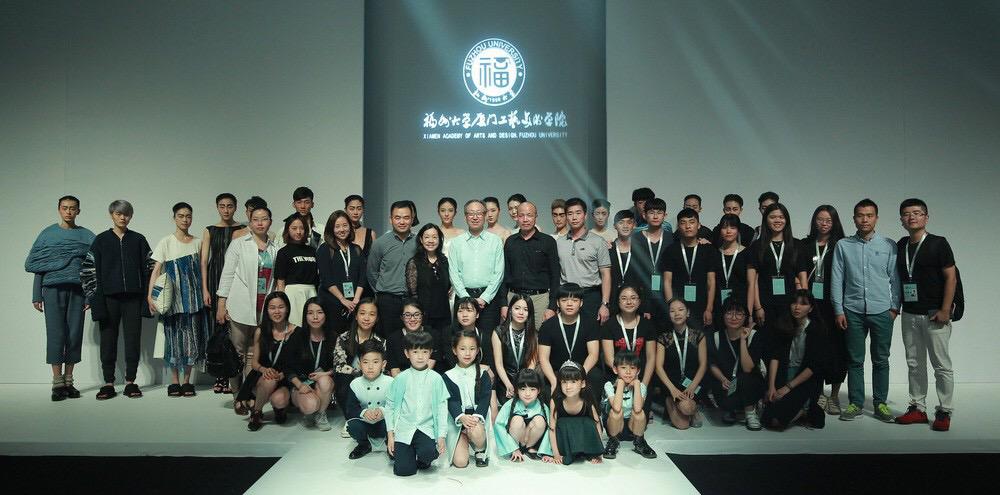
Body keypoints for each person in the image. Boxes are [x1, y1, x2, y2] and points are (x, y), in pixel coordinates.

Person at [831, 199, 901, 423]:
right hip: (852, 311)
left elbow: (895, 279)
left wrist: (894, 308)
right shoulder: (843, 245)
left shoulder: (889, 245)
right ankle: (856, 403)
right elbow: (837, 279)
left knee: (881, 359)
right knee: (855, 360)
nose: (865, 219)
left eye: (869, 215)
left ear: (876, 218)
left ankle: (880, 403)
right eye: (860, 215)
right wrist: (838, 310)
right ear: (854, 219)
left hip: (882, 311)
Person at [894, 198, 957, 431]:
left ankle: (944, 411)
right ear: (901, 220)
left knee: (941, 365)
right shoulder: (901, 244)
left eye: (917, 213)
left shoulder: (938, 243)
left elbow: (951, 277)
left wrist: (945, 309)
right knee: (914, 363)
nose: (912, 217)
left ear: (926, 217)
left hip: (934, 313)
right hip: (910, 313)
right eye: (906, 214)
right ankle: (917, 408)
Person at [81, 199, 153, 400]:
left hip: (133, 299)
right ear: (111, 215)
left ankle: (131, 382)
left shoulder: (139, 240)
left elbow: (150, 269)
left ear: (131, 216)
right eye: (118, 214)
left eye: (126, 214)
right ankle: (108, 383)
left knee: (133, 340)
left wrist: (147, 299)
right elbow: (89, 271)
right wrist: (95, 300)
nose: (123, 217)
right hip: (108, 299)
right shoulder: (101, 240)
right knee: (108, 341)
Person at [25, 195, 95, 401]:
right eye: (65, 208)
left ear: (78, 211)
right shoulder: (47, 235)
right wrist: (36, 294)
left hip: (78, 291)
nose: (68, 212)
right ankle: (57, 383)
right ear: (59, 209)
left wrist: (89, 295)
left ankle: (69, 381)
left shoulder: (87, 236)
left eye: (72, 208)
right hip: (52, 290)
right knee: (56, 334)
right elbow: (38, 264)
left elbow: (92, 268)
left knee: (74, 334)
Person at [216, 205, 282, 412]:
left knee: (254, 354)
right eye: (256, 219)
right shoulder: (239, 244)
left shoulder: (275, 247)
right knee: (237, 352)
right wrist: (221, 303)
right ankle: (237, 395)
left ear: (270, 222)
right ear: (250, 222)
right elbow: (227, 274)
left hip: (263, 308)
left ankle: (248, 393)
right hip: (241, 305)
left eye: (264, 219)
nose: (260, 223)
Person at [147, 202, 208, 397]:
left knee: (192, 340)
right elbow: (156, 270)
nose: (185, 219)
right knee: (172, 340)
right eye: (181, 216)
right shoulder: (166, 242)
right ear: (174, 218)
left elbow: (203, 270)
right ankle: (174, 382)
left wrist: (205, 291)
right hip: (172, 301)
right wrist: (150, 296)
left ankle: (187, 381)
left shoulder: (198, 242)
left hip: (194, 300)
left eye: (188, 216)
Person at [797, 205, 847, 415]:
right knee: (813, 348)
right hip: (812, 305)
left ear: (834, 222)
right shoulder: (805, 245)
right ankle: (817, 393)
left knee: (837, 349)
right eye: (820, 219)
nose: (824, 224)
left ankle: (834, 395)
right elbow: (798, 271)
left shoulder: (841, 245)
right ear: (814, 221)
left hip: (834, 305)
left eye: (828, 220)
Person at [385, 331, 450, 476]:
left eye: (424, 352)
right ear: (407, 353)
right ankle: (404, 453)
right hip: (404, 428)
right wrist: (390, 435)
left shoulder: (436, 379)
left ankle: (421, 456)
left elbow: (442, 408)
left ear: (430, 353)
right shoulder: (401, 378)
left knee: (429, 453)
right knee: (404, 471)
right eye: (415, 352)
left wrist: (441, 436)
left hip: (426, 428)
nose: (420, 357)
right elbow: (389, 407)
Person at [761, 290, 829, 430]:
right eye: (794, 303)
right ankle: (800, 409)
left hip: (804, 379)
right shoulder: (783, 325)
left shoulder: (817, 329)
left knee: (777, 422)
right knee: (766, 420)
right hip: (784, 373)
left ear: (811, 308)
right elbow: (775, 357)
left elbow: (813, 367)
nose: (797, 307)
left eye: (803, 304)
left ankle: (805, 410)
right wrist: (771, 386)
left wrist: (787, 388)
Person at [243, 292, 311, 431]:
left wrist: (284, 374)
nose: (277, 311)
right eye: (272, 308)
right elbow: (254, 363)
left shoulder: (298, 332)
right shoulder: (261, 331)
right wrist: (264, 370)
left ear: (287, 308)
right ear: (267, 310)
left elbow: (299, 364)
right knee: (269, 379)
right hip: (262, 377)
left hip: (286, 378)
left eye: (281, 307)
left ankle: (279, 409)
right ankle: (257, 413)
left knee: (279, 400)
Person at [199, 193, 244, 393]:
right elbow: (203, 262)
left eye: (230, 206)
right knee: (217, 329)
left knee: (233, 329)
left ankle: (233, 375)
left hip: (235, 280)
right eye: (222, 206)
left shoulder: (242, 229)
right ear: (217, 207)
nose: (226, 210)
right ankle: (220, 375)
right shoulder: (209, 230)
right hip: (214, 277)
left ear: (236, 207)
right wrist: (205, 289)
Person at [707, 298, 766, 430]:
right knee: (723, 397)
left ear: (745, 317)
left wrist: (743, 340)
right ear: (723, 315)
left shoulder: (753, 336)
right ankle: (732, 410)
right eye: (729, 313)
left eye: (739, 313)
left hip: (750, 383)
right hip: (728, 383)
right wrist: (722, 379)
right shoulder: (716, 337)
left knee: (745, 378)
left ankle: (750, 413)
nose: (734, 317)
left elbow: (748, 368)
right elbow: (712, 364)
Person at [537, 284, 603, 401]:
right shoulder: (547, 326)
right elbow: (543, 358)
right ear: (558, 303)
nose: (569, 304)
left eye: (574, 300)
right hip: (557, 371)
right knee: (544, 382)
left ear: (581, 303)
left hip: (583, 369)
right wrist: (553, 381)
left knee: (596, 376)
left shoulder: (590, 323)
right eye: (564, 300)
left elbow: (593, 354)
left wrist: (581, 375)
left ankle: (593, 410)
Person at [448, 200, 505, 335]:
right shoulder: (456, 243)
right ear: (465, 217)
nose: (475, 217)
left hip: (489, 299)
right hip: (463, 297)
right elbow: (453, 273)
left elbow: (499, 272)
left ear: (485, 215)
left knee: (488, 339)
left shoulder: (495, 241)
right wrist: (466, 299)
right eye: (471, 213)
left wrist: (485, 297)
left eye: (479, 213)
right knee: (462, 340)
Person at [502, 201, 560, 325]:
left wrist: (552, 306)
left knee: (540, 333)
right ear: (517, 217)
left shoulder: (548, 241)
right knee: (513, 333)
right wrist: (503, 304)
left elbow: (555, 276)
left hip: (539, 299)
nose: (525, 219)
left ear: (535, 217)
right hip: (514, 297)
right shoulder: (510, 242)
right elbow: (505, 274)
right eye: (521, 215)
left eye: (529, 215)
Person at [654, 298, 708, 429]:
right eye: (672, 311)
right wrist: (672, 389)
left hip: (692, 382)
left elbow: (703, 364)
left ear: (687, 312)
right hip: (671, 383)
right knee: (682, 425)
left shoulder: (698, 335)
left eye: (680, 310)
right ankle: (670, 401)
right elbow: (658, 367)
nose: (677, 313)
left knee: (688, 408)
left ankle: (691, 409)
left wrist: (693, 386)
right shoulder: (664, 337)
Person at [556, 198, 612, 324]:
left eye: (578, 213)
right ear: (566, 217)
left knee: (591, 333)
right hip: (567, 296)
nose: (574, 217)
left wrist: (605, 304)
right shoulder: (559, 243)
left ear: (585, 215)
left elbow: (606, 274)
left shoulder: (598, 241)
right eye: (570, 214)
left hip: (591, 296)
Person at [367, 200, 418, 337]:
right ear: (391, 219)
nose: (402, 222)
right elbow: (372, 272)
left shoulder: (419, 242)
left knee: (412, 338)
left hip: (412, 299)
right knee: (389, 338)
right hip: (387, 300)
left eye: (406, 217)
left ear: (412, 219)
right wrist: (381, 292)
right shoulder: (380, 243)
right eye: (397, 217)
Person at [661, 208, 718, 329]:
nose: (688, 226)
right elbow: (667, 281)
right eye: (683, 223)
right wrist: (671, 307)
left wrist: (709, 309)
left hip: (702, 307)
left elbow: (711, 281)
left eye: (692, 222)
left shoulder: (708, 250)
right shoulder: (671, 250)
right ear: (678, 226)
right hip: (678, 308)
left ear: (699, 225)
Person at [443, 329, 493, 468]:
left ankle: (479, 449)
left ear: (477, 351)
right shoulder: (448, 375)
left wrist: (476, 417)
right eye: (462, 349)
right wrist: (461, 417)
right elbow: (451, 400)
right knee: (460, 463)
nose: (467, 353)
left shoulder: (483, 373)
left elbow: (485, 398)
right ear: (454, 350)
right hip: (458, 420)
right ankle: (463, 438)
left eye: (472, 349)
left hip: (476, 419)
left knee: (475, 430)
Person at [333, 299, 383, 435]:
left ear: (377, 318)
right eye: (362, 313)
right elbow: (339, 366)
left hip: (374, 379)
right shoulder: (344, 338)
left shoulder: (380, 341)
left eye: (372, 314)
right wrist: (360, 374)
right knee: (343, 379)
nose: (366, 318)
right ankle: (351, 419)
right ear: (356, 316)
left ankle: (374, 415)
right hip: (350, 380)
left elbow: (383, 368)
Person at [747, 203, 799, 328]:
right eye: (772, 217)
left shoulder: (796, 245)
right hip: (765, 305)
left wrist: (800, 306)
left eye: (781, 217)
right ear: (766, 220)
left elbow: (800, 278)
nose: (777, 220)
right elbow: (752, 282)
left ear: (786, 220)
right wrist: (757, 307)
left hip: (790, 305)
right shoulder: (756, 247)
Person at [317, 210, 367, 335]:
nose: (342, 229)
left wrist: (356, 299)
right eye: (337, 226)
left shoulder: (356, 249)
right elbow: (326, 278)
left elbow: (363, 276)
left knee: (353, 337)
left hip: (354, 304)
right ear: (331, 229)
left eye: (345, 225)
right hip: (332, 303)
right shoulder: (325, 249)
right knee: (334, 338)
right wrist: (342, 299)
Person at [545, 361, 603, 465]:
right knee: (562, 423)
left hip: (583, 435)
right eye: (564, 382)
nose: (568, 386)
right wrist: (556, 454)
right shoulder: (556, 400)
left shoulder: (587, 399)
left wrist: (597, 452)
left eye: (573, 382)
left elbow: (597, 424)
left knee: (589, 422)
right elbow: (552, 428)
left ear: (583, 383)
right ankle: (570, 453)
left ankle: (587, 452)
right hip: (564, 439)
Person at [602, 351, 656, 459]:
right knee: (616, 412)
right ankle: (613, 441)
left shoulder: (641, 386)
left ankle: (639, 442)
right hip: (615, 426)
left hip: (633, 427)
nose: (628, 372)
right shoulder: (609, 385)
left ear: (638, 371)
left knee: (640, 413)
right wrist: (621, 384)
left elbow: (638, 408)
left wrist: (636, 384)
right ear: (615, 369)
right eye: (623, 368)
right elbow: (616, 408)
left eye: (632, 368)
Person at [345, 339, 394, 459]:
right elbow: (350, 409)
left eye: (375, 362)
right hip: (365, 423)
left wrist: (383, 411)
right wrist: (364, 412)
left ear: (383, 364)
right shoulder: (355, 384)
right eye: (365, 362)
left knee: (397, 423)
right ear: (359, 364)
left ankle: (390, 444)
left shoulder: (391, 382)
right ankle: (364, 444)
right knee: (352, 425)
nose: (370, 367)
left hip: (385, 424)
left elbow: (398, 406)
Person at [600, 285, 656, 387]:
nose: (629, 302)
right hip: (616, 376)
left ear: (639, 301)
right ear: (618, 301)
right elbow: (609, 358)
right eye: (624, 298)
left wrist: (643, 386)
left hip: (642, 376)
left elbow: (651, 358)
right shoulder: (609, 325)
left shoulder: (647, 325)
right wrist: (626, 376)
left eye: (633, 298)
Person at [494, 369, 553, 461]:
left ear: (538, 390)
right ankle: (517, 449)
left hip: (532, 441)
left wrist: (546, 452)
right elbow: (498, 425)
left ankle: (529, 447)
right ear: (517, 390)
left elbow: (551, 428)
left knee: (540, 420)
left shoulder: (543, 407)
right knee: (517, 420)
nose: (527, 393)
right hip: (515, 440)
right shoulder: (509, 404)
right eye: (523, 389)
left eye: (532, 389)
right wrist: (513, 448)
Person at [630, 198, 672, 325]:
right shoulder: (635, 239)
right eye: (651, 212)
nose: (655, 216)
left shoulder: (671, 238)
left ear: (665, 215)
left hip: (666, 296)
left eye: (659, 212)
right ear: (644, 215)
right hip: (643, 296)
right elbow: (633, 272)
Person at [492, 294, 540, 402]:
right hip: (505, 381)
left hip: (526, 381)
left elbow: (532, 363)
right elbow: (499, 364)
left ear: (530, 313)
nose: (521, 313)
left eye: (525, 309)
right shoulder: (498, 332)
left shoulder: (535, 334)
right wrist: (508, 384)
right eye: (517, 308)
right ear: (510, 310)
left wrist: (523, 384)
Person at [297, 298, 335, 431]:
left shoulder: (333, 337)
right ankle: (309, 411)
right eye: (310, 313)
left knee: (325, 380)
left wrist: (325, 373)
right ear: (305, 316)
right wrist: (299, 384)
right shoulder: (298, 336)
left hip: (322, 383)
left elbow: (338, 366)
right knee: (310, 405)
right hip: (301, 384)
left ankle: (320, 414)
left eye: (319, 312)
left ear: (326, 314)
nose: (315, 317)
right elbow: (288, 367)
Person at [406, 223, 451, 332]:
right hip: (424, 317)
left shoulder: (444, 260)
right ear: (421, 240)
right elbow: (413, 294)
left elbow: (448, 286)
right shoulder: (414, 262)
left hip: (444, 315)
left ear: (439, 240)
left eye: (434, 237)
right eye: (427, 237)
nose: (431, 241)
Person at [274, 215, 318, 327]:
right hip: (292, 294)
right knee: (294, 327)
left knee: (312, 326)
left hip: (312, 292)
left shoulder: (312, 251)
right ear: (287, 230)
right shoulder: (283, 252)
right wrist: (282, 302)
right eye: (294, 228)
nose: (298, 232)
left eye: (301, 228)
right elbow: (280, 281)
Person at [386, 300, 442, 376]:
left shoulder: (433, 335)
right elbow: (394, 369)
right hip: (402, 380)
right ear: (401, 317)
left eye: (417, 314)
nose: (412, 319)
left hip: (427, 377)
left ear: (422, 315)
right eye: (407, 315)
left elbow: (429, 366)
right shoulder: (393, 339)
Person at [713, 213, 750, 326]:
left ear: (738, 230)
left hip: (741, 307)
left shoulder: (747, 253)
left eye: (732, 228)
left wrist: (749, 311)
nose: (728, 231)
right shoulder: (714, 253)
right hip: (719, 306)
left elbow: (751, 284)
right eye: (724, 227)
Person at [608, 210, 642, 309]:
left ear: (634, 225)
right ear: (615, 226)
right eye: (621, 222)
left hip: (634, 301)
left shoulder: (641, 250)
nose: (625, 226)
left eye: (629, 222)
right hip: (612, 300)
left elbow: (644, 281)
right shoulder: (608, 249)